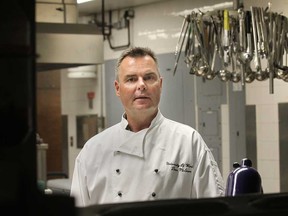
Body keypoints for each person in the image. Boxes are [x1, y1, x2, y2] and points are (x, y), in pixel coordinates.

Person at [70, 46, 225, 207]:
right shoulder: (92, 151)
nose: (141, 85)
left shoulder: (189, 142)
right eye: (131, 79)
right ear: (118, 88)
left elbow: (216, 207)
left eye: (149, 77)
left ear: (160, 84)